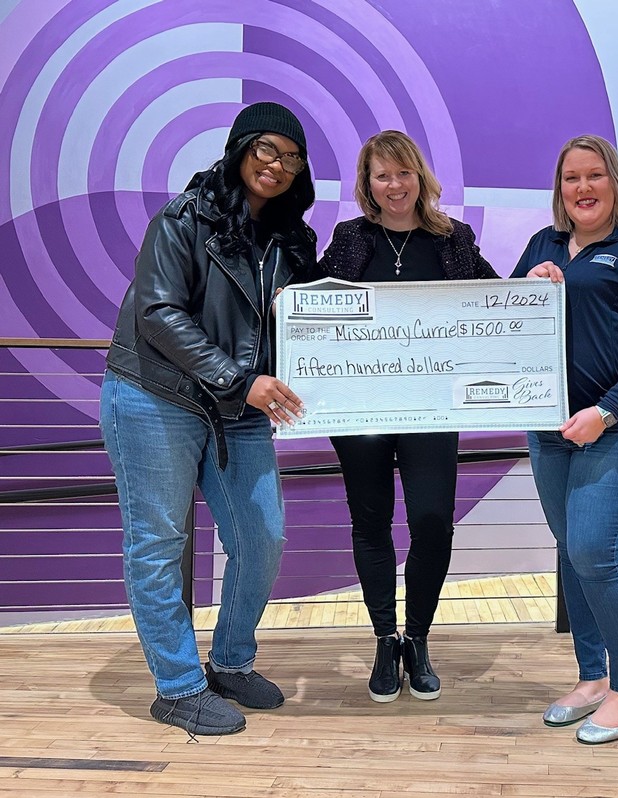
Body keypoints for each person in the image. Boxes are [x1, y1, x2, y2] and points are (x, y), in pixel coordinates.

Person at [100, 102, 318, 735]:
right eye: (266, 150)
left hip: (238, 407)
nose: (277, 165)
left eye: (291, 155)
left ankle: (230, 661)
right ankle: (177, 686)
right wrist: (238, 379)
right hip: (154, 396)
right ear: (240, 149)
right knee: (159, 543)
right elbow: (159, 314)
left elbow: (305, 321)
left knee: (263, 536)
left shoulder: (290, 240)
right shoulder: (183, 218)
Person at [510, 135, 618, 744]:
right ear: (559, 190)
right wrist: (530, 284)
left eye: (595, 176)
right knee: (570, 550)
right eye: (571, 179)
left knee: (592, 549)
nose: (583, 189)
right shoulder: (543, 244)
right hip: (550, 431)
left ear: (615, 182)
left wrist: (607, 411)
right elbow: (503, 317)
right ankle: (590, 678)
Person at [319, 130, 498, 702]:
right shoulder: (351, 239)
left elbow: (497, 301)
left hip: (432, 408)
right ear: (367, 184)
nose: (394, 185)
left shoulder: (454, 240)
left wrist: (539, 283)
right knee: (370, 523)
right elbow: (312, 304)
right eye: (381, 175)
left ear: (420, 176)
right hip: (361, 411)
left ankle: (416, 637)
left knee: (430, 521)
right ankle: (382, 639)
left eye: (403, 173)